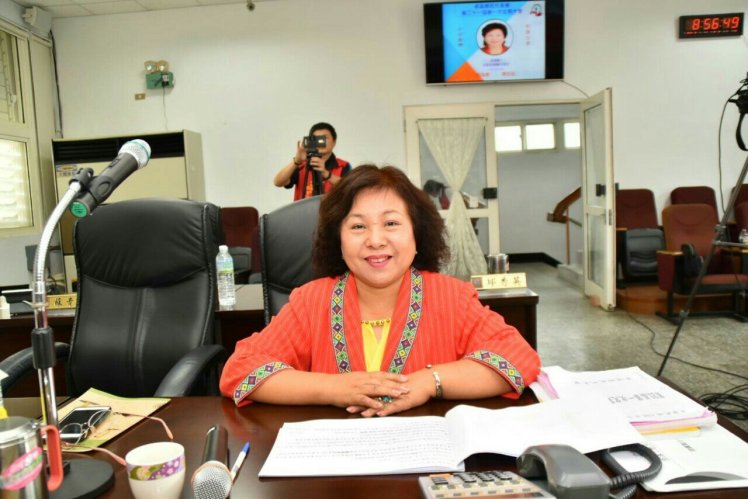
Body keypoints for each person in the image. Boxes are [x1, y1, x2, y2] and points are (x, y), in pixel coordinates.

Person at [221, 165, 540, 417]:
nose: (375, 240)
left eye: (391, 224)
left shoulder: (451, 297)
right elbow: (241, 369)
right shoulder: (312, 301)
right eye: (358, 226)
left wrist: (429, 382)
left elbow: (518, 358)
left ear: (416, 234)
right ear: (338, 239)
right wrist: (334, 388)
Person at [273, 122, 352, 201]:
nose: (320, 142)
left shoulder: (343, 166)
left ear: (334, 142)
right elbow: (278, 182)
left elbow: (351, 187)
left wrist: (325, 173)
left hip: (331, 209)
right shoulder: (302, 165)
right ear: (311, 142)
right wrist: (296, 161)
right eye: (316, 139)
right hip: (304, 209)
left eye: (324, 138)